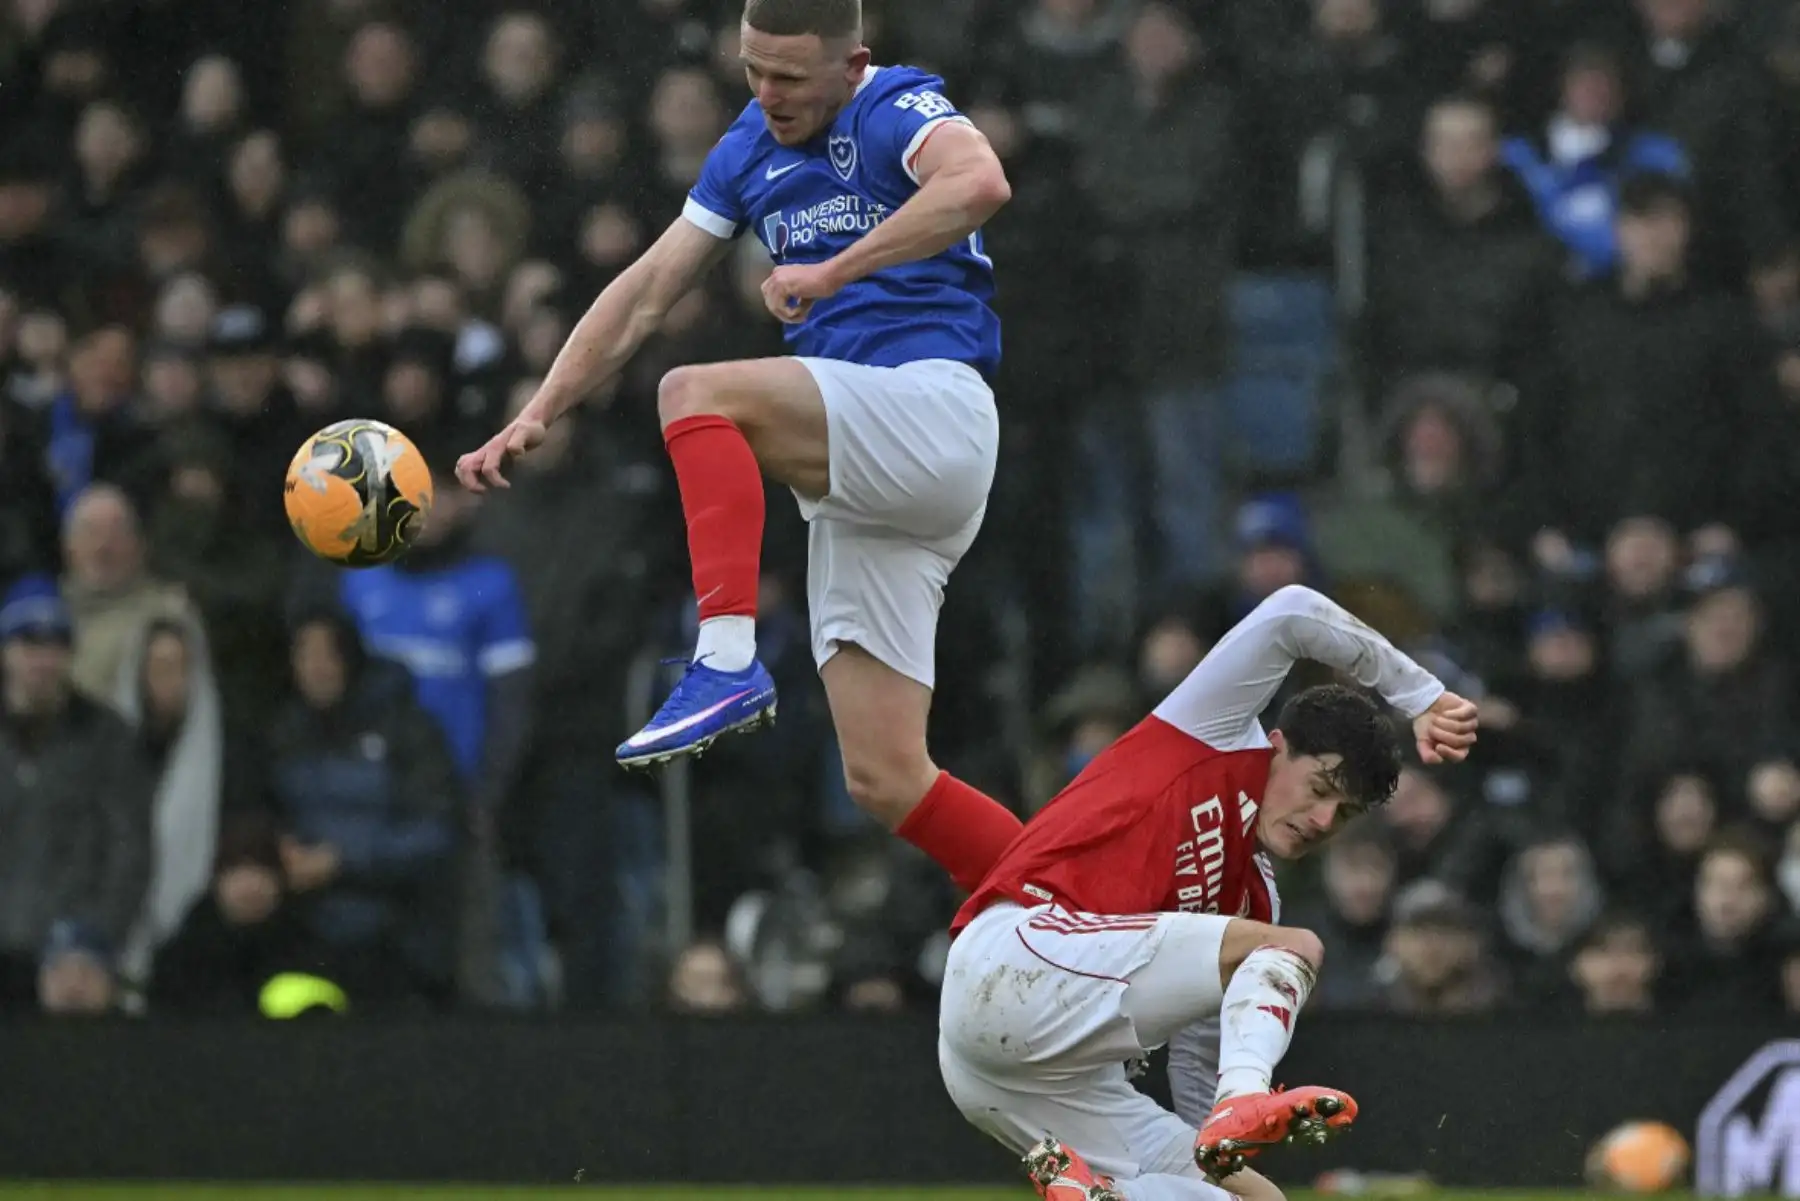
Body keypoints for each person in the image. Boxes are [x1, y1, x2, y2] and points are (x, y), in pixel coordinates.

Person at [454, 0, 1022, 894]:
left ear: (851, 62)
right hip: (862, 478)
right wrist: (543, 409)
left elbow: (979, 184)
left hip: (931, 408)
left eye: (790, 76)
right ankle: (1079, 918)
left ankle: (724, 656)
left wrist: (833, 271)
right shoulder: (748, 145)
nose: (768, 93)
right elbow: (644, 291)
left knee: (694, 392)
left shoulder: (894, 106)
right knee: (884, 777)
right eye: (753, 70)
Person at [936, 585, 1479, 1200]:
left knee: (1257, 1200)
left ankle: (1102, 1198)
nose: (1324, 821)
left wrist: (1219, 1163)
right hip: (1011, 957)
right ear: (1278, 747)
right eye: (1321, 787)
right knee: (1296, 945)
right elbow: (1293, 612)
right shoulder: (1212, 730)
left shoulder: (1253, 908)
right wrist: (1423, 696)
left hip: (1021, 1076)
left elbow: (1196, 1063)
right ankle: (1247, 1095)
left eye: (1346, 814)